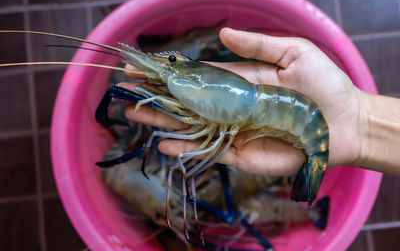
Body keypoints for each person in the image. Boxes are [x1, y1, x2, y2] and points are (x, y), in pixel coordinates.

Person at [123, 27, 400, 177]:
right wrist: (360, 124)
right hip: (276, 111)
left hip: (302, 117)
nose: (170, 66)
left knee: (163, 131)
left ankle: (315, 164)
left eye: (174, 62)